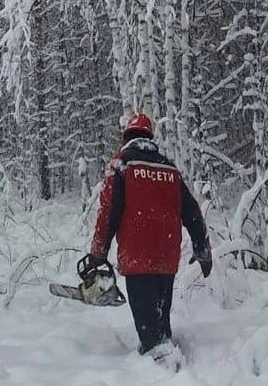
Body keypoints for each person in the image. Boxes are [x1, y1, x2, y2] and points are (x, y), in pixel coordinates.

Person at [89, 112, 212, 358]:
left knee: (150, 334)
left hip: (137, 258)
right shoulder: (169, 168)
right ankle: (168, 361)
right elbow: (192, 212)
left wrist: (98, 251)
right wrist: (202, 249)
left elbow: (109, 212)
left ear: (127, 137)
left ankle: (162, 368)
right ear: (149, 137)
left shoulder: (122, 164)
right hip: (167, 257)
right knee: (160, 321)